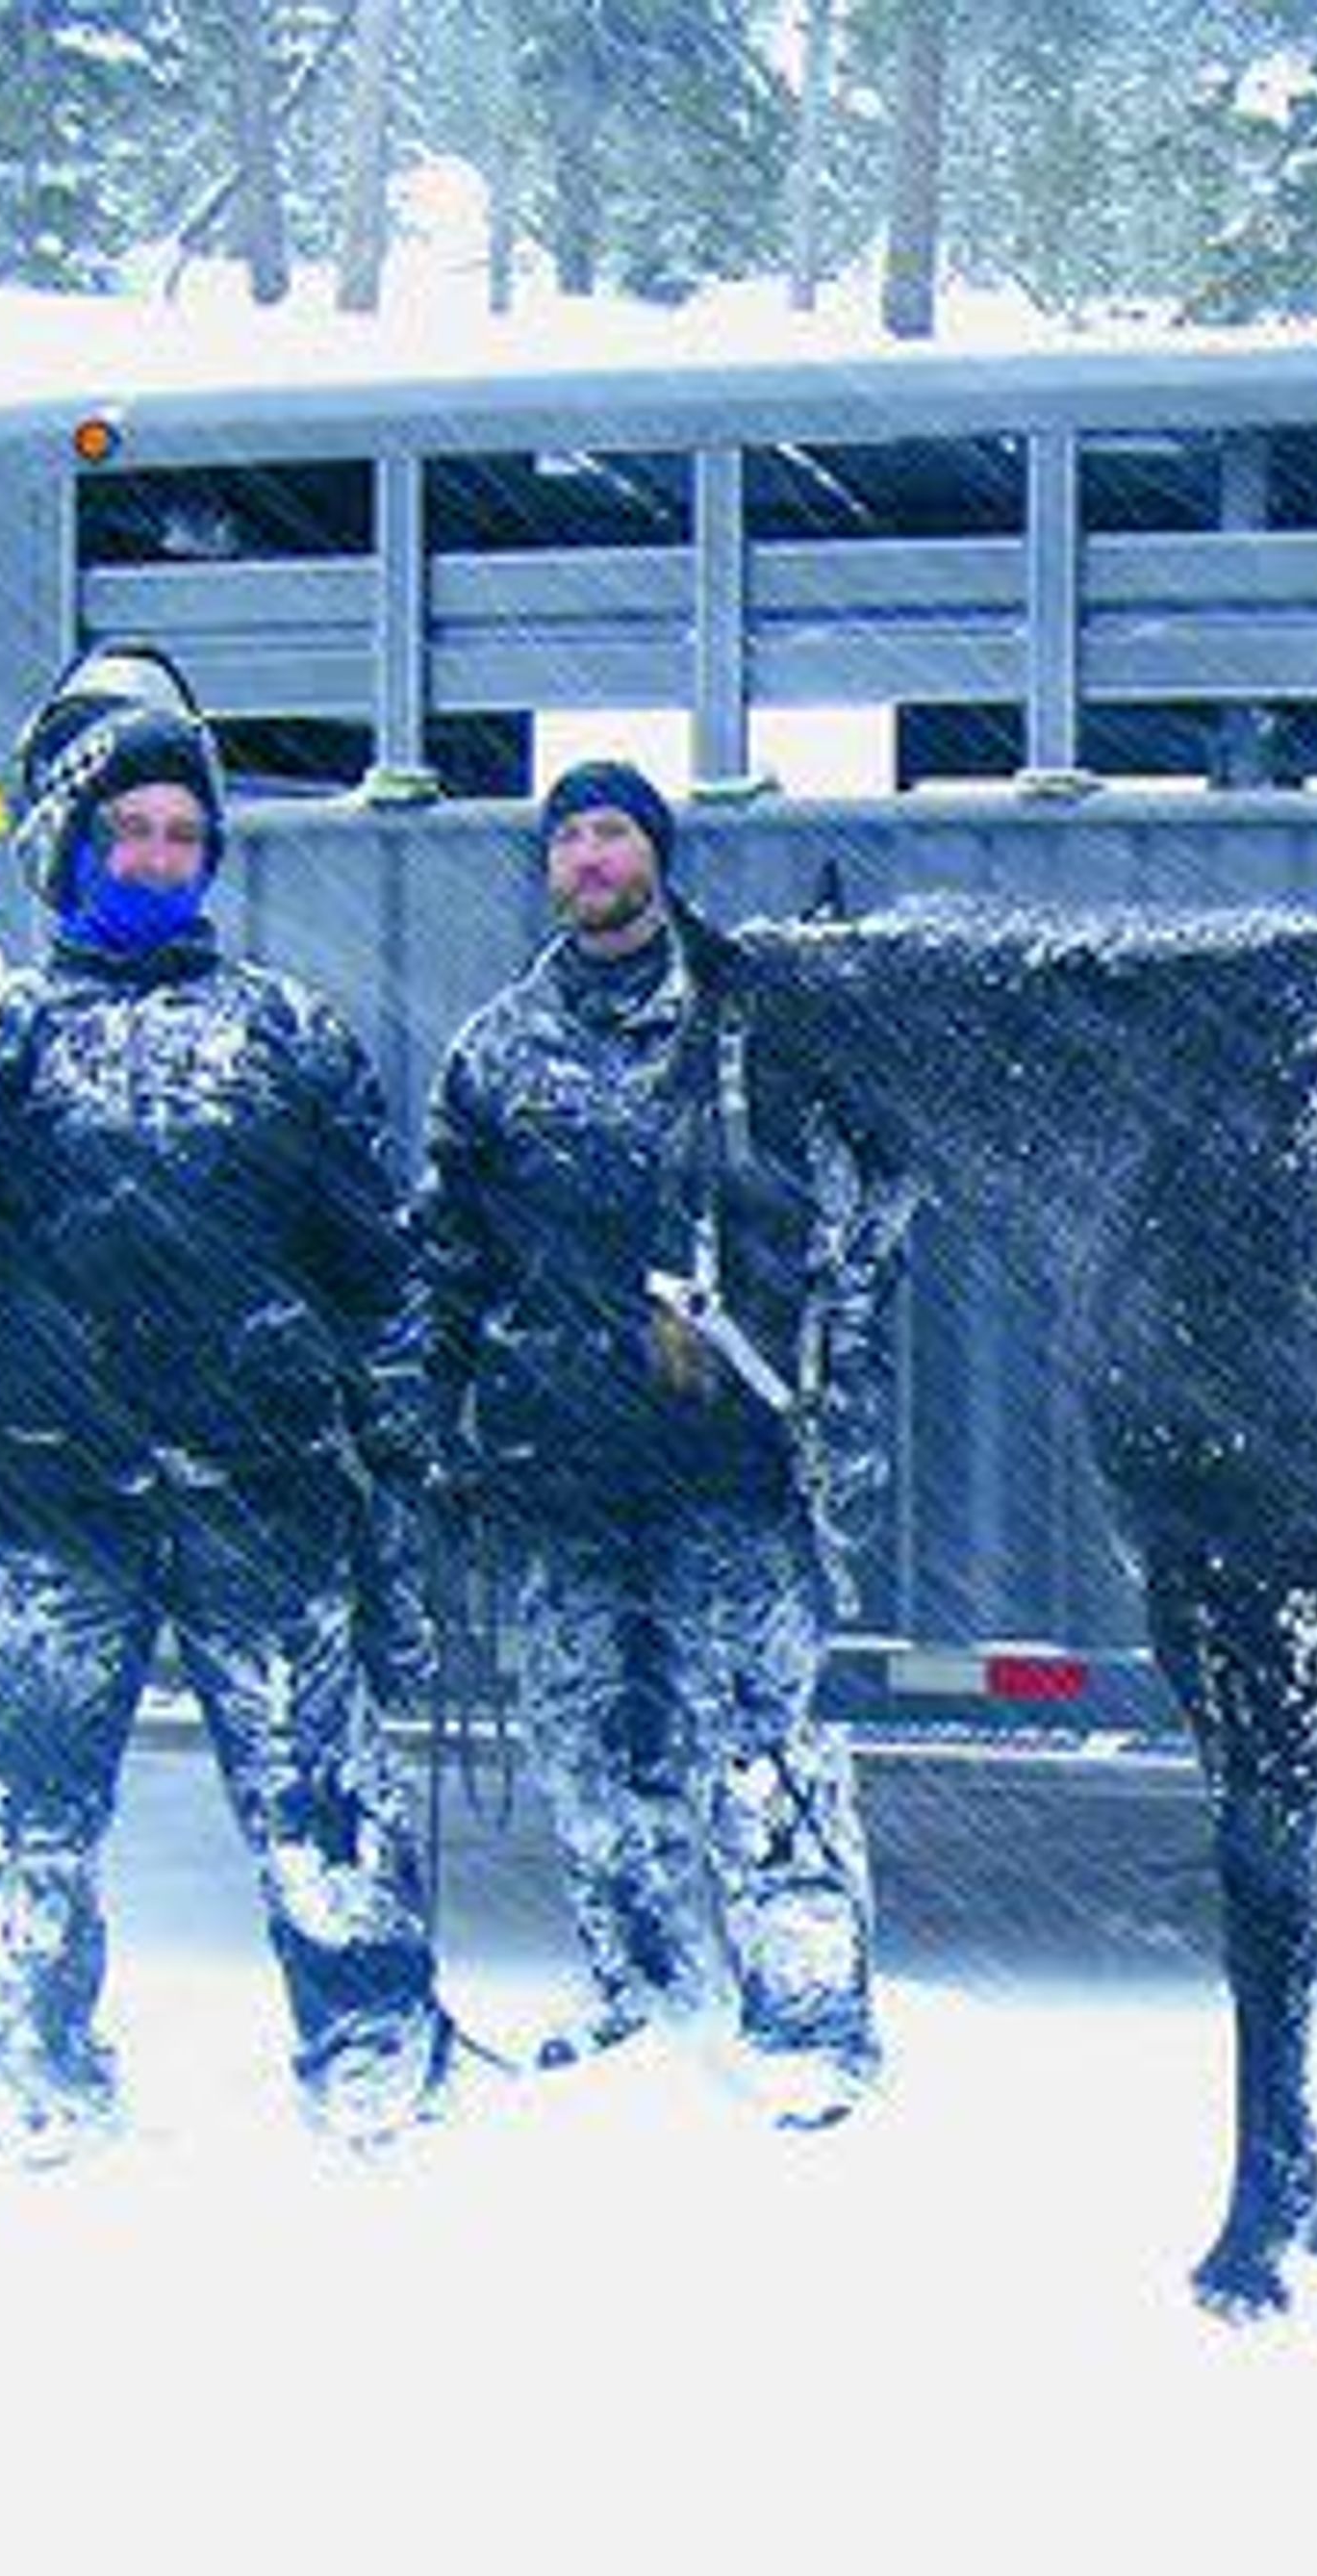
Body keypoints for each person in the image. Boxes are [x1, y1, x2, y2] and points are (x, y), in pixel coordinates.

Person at [0, 642, 455, 2165]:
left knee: (321, 1798)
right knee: (24, 1815)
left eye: (186, 838)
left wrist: (400, 1444)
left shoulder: (288, 1035)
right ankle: (17, 2058)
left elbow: (373, 1268)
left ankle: (373, 2043)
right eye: (132, 831)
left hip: (264, 1495)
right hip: (52, 1500)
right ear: (69, 840)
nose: (160, 859)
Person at [403, 759, 909, 2127]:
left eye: (611, 830)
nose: (588, 856)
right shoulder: (496, 1049)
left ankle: (811, 2021)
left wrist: (836, 1372)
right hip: (561, 1470)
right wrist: (435, 1426)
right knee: (590, 1747)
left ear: (657, 855)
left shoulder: (759, 1022)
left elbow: (877, 1195)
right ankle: (648, 1997)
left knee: (762, 1742)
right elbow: (445, 1258)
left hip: (730, 1461)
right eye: (567, 836)